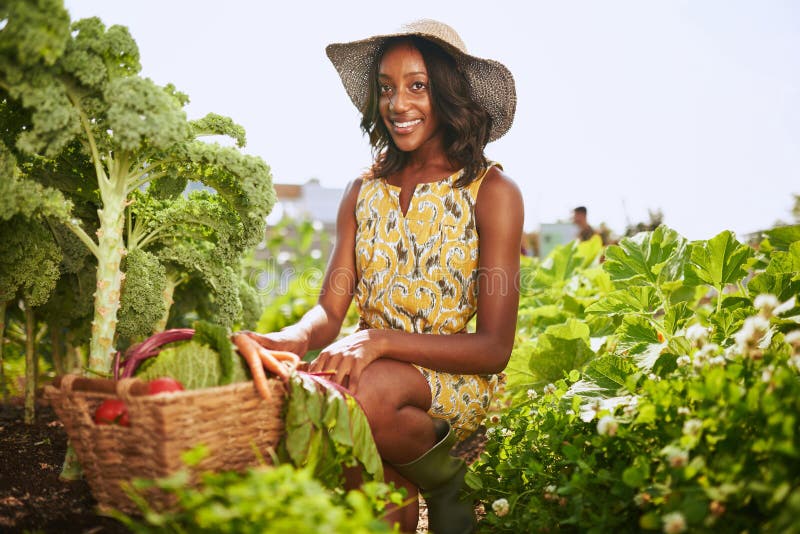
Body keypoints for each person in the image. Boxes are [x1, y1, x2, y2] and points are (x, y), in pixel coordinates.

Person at [246, 19, 523, 533]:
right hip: (366, 377)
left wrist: (376, 339)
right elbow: (329, 312)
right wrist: (280, 340)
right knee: (368, 483)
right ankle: (427, 492)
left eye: (417, 85)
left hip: (454, 381)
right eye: (386, 88)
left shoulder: (492, 191)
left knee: (357, 397)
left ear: (447, 91)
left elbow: (493, 348)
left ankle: (446, 479)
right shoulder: (362, 192)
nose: (399, 104)